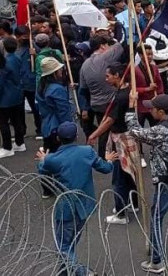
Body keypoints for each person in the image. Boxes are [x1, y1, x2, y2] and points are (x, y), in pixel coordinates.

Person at [37, 121, 117, 276]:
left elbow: (42, 171)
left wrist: (43, 159)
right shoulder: (87, 151)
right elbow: (105, 168)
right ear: (76, 136)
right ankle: (65, 271)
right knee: (70, 243)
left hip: (66, 210)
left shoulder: (53, 159)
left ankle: (82, 272)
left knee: (63, 246)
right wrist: (109, 161)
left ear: (58, 139)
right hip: (84, 206)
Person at [126, 94, 168, 273]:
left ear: (161, 112)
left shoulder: (161, 131)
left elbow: (136, 133)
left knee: (156, 217)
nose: (150, 110)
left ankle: (157, 260)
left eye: (152, 108)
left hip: (165, 179)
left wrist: (131, 109)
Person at [87, 63, 139, 224]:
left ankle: (121, 213)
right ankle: (133, 204)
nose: (106, 78)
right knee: (128, 173)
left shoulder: (122, 96)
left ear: (117, 75)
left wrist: (94, 134)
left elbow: (110, 120)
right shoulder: (126, 91)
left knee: (119, 177)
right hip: (127, 137)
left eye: (108, 75)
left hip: (121, 140)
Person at [79, 35, 123, 158]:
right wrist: (111, 36)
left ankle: (103, 154)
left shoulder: (85, 64)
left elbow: (83, 87)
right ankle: (110, 154)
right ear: (103, 46)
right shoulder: (105, 57)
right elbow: (119, 46)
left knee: (102, 129)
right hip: (110, 101)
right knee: (113, 129)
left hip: (96, 103)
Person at [37, 57, 75, 197]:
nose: (62, 71)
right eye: (59, 70)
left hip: (47, 125)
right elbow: (63, 112)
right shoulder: (56, 89)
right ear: (54, 73)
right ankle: (64, 186)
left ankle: (47, 188)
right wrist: (69, 128)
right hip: (57, 127)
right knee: (62, 158)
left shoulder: (41, 86)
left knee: (47, 157)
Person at [0, 36, 26, 159]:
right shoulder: (17, 57)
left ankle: (7, 147)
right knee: (17, 120)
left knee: (3, 122)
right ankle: (19, 142)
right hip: (17, 93)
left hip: (5, 96)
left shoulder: (4, 63)